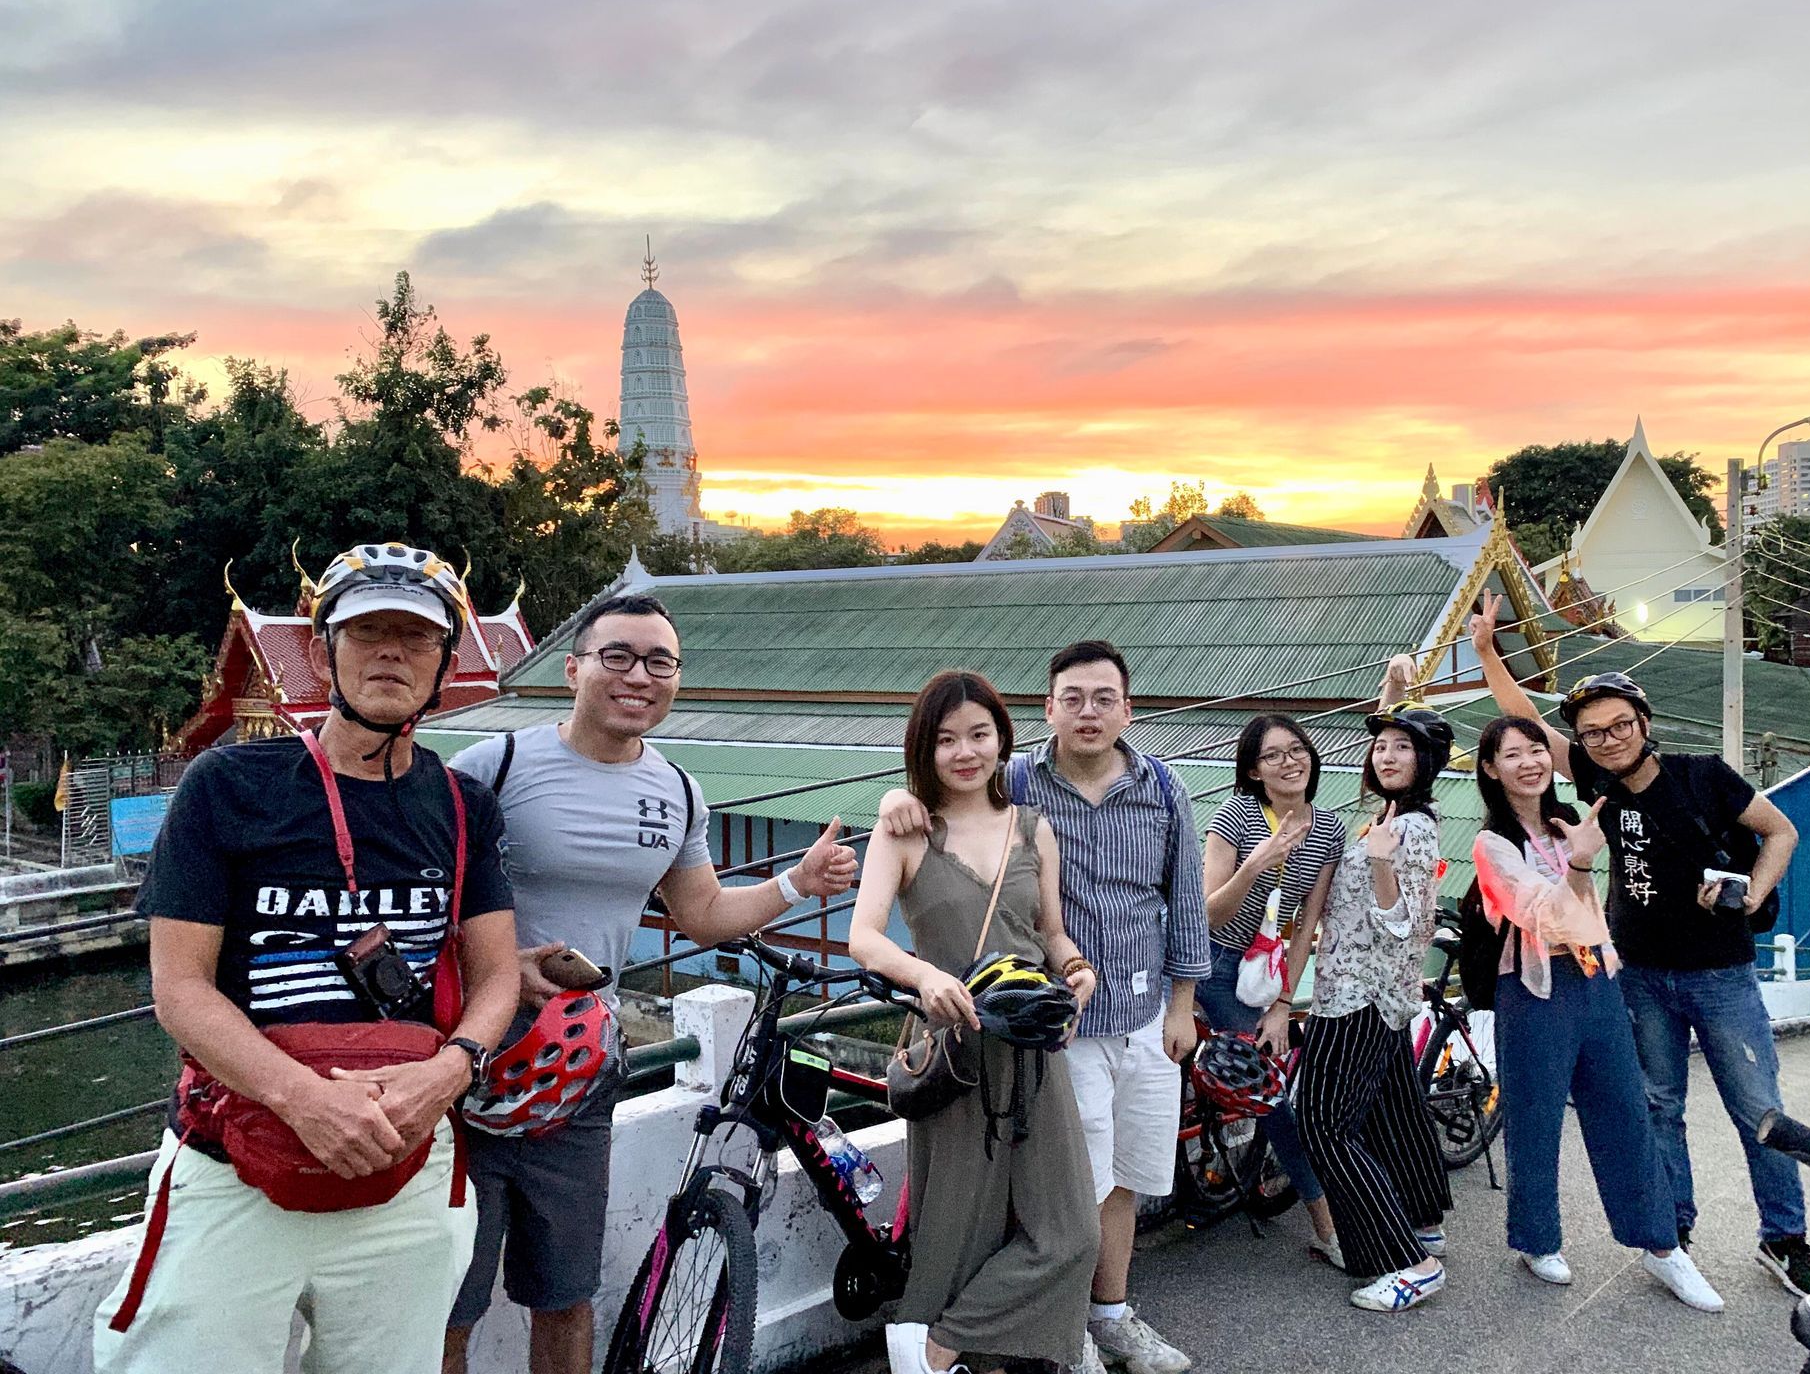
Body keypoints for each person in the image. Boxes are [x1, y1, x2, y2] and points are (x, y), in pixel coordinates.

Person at [93, 542, 522, 1374]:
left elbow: (497, 972)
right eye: (367, 632)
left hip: (408, 1161)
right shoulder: (229, 785)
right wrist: (303, 1099)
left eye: (417, 635)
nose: (391, 652)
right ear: (323, 653)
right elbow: (180, 989)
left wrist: (452, 1071)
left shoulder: (463, 805)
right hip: (237, 1154)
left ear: (445, 664)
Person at [443, 590, 859, 1374]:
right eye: (618, 656)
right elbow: (419, 897)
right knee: (448, 1303)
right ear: (573, 670)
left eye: (660, 662)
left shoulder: (677, 791)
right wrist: (491, 970)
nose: (639, 676)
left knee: (565, 1293)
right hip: (467, 1063)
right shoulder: (490, 768)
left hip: (578, 1075)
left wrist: (797, 884)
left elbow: (702, 915)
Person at [1469, 592, 1810, 1297]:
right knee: (1657, 1109)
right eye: (1592, 732)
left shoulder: (1704, 776)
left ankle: (1785, 1238)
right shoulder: (1595, 782)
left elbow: (1781, 831)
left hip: (1720, 974)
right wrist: (1487, 652)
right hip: (1637, 974)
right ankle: (1673, 1231)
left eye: (1619, 726)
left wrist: (1751, 895)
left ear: (1644, 724)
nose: (1607, 740)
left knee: (1758, 1108)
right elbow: (1524, 727)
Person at [878, 640, 1208, 1374]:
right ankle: (1061, 1338)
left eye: (1104, 699)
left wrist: (1181, 1004)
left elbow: (1184, 898)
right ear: (1047, 709)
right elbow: (945, 782)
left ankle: (1110, 1315)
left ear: (1128, 708)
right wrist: (894, 798)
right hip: (1053, 1030)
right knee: (1064, 1194)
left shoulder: (1163, 787)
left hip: (1143, 1011)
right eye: (1073, 699)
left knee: (1126, 1177)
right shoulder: (1019, 779)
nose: (1089, 712)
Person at [851, 670, 1100, 1374]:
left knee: (1071, 1231)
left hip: (1031, 1046)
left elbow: (1051, 932)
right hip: (955, 1049)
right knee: (959, 1228)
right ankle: (964, 1357)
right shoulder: (905, 831)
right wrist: (925, 976)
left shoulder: (1033, 828)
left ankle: (932, 1346)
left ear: (1002, 740)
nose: (964, 752)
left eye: (979, 735)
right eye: (946, 739)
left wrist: (1077, 969)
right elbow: (864, 936)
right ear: (924, 748)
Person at [1470, 715, 1724, 1309]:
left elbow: (1593, 912)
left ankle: (1662, 1245)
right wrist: (1581, 864)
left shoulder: (1573, 824)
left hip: (1596, 979)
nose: (1530, 762)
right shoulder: (1491, 844)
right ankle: (1537, 1239)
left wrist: (1581, 859)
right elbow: (1545, 916)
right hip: (1533, 988)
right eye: (1513, 754)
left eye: (1537, 749)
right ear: (1491, 769)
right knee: (1535, 1119)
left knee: (1626, 1112)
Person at [1291, 692, 1453, 1312]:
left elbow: (1402, 922)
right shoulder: (1394, 816)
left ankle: (1411, 1263)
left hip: (1357, 996)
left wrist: (1381, 864)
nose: (1386, 755)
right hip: (1377, 994)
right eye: (1380, 746)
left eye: (1402, 747)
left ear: (1426, 761)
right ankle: (1421, 1222)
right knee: (1389, 1110)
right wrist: (1396, 686)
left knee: (1323, 1125)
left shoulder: (1409, 829)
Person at [1197, 714, 1346, 1266]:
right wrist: (1257, 863)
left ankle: (1322, 1206)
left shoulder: (1328, 829)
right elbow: (1206, 915)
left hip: (1265, 970)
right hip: (1211, 963)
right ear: (1254, 771)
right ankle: (1326, 1221)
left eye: (1297, 749)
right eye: (1273, 755)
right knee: (1269, 1089)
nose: (1290, 762)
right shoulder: (1234, 816)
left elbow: (1307, 925)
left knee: (1279, 1073)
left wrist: (1284, 1002)